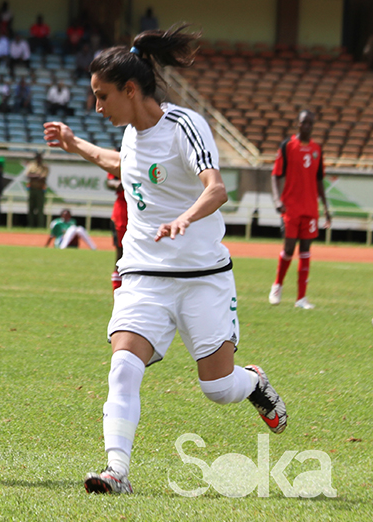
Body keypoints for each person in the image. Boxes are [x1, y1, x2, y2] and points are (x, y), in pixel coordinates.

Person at [43, 24, 287, 495]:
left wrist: (184, 219)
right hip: (143, 273)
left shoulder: (185, 125)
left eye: (102, 96)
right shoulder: (132, 132)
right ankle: (117, 471)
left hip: (202, 277)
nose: (97, 106)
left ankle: (254, 384)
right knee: (123, 366)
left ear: (131, 90)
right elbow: (125, 165)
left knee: (217, 389)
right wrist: (76, 146)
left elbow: (215, 189)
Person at [268, 110, 331, 309]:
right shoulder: (287, 146)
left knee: (305, 250)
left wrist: (326, 208)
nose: (307, 126)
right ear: (298, 124)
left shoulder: (317, 149)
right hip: (291, 206)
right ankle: (277, 285)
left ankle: (301, 298)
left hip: (310, 207)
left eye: (310, 123)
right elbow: (275, 175)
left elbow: (320, 180)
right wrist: (277, 200)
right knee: (288, 248)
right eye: (304, 122)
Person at [106, 170, 127, 291]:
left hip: (146, 208)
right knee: (121, 253)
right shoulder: (121, 154)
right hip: (123, 209)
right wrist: (117, 184)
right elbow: (110, 180)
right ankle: (118, 291)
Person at [25, 151, 48, 228]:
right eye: (37, 157)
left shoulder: (45, 167)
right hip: (32, 189)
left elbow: (43, 178)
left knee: (40, 209)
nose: (38, 159)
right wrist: (38, 176)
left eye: (40, 157)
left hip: (40, 190)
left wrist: (34, 176)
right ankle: (30, 225)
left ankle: (40, 226)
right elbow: (28, 176)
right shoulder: (31, 166)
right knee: (31, 208)